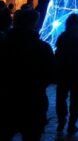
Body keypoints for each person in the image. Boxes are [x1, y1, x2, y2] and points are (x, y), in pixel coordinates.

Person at [0, 10, 56, 141]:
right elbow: (51, 74)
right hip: (33, 101)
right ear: (34, 24)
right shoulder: (42, 47)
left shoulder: (3, 45)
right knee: (32, 135)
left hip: (6, 101)